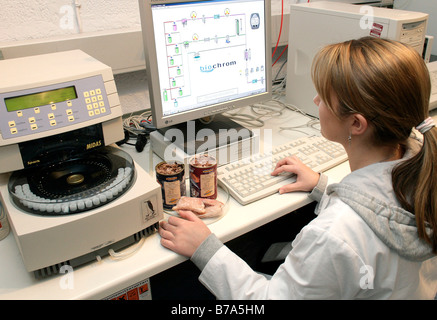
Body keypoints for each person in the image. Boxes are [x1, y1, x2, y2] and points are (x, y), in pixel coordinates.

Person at [158, 37, 437, 299]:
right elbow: (382, 211)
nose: (316, 100)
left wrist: (205, 248)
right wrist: (324, 186)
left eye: (325, 97)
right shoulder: (422, 164)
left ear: (356, 124)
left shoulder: (333, 234)